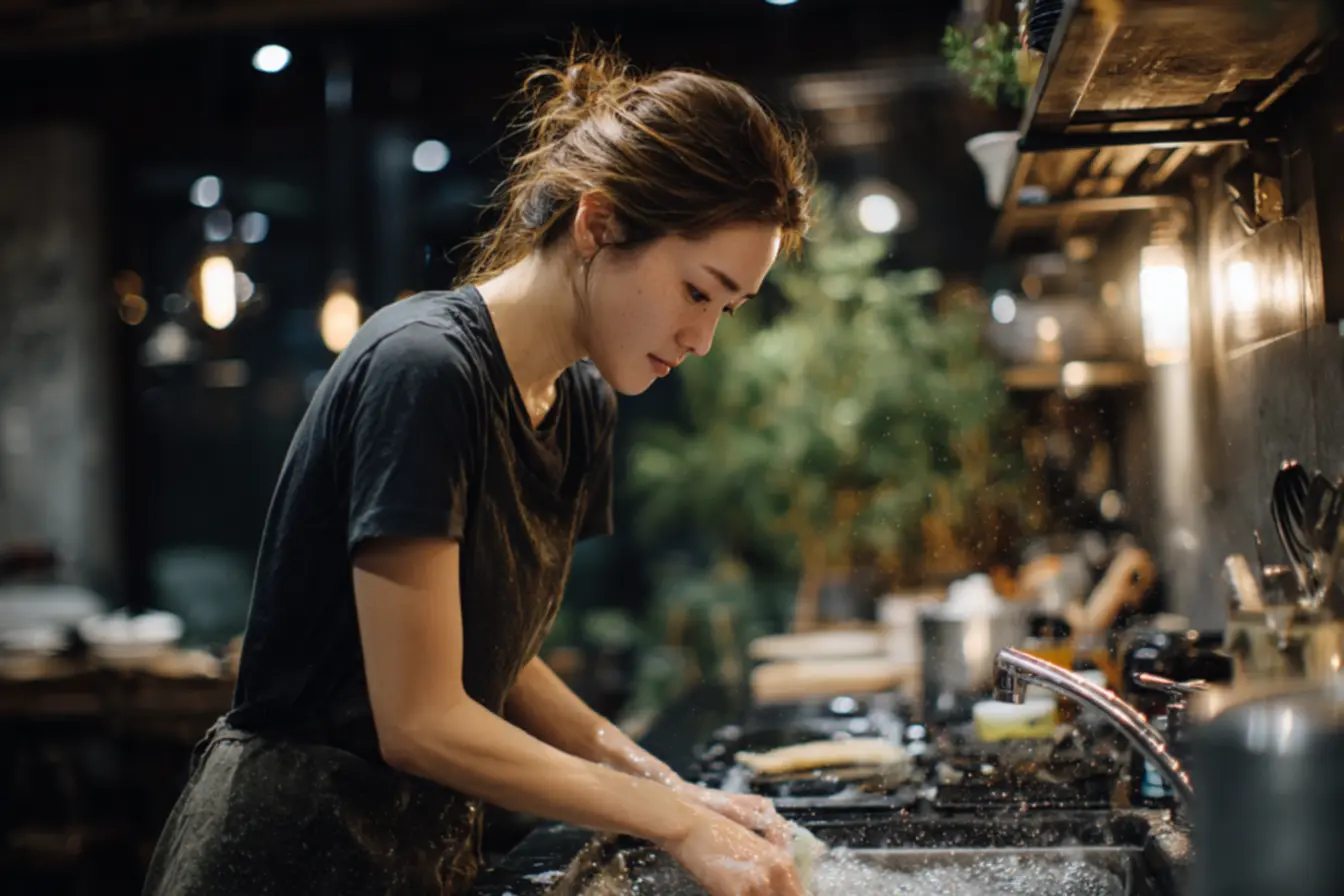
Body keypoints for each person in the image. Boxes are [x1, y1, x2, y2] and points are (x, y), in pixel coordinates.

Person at [143, 39, 814, 896]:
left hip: (408, 856)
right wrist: (673, 820)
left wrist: (676, 790)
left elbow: (497, 661)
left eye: (727, 307)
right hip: (282, 852)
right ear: (599, 224)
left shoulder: (580, 405)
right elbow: (421, 721)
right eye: (697, 291)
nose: (703, 338)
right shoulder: (424, 369)